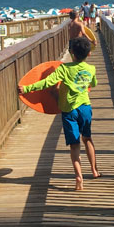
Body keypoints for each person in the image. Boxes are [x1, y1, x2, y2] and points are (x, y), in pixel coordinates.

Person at [18, 37, 101, 190]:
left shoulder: (64, 69)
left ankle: (78, 177)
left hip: (69, 111)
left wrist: (27, 89)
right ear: (89, 53)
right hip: (85, 108)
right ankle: (95, 170)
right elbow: (93, 84)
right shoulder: (91, 69)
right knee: (87, 138)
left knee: (74, 146)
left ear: (71, 53)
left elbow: (47, 83)